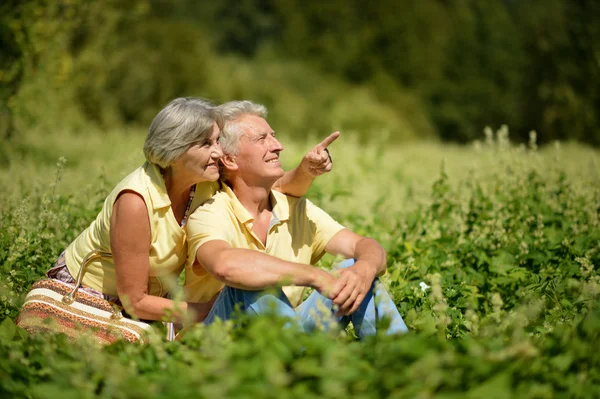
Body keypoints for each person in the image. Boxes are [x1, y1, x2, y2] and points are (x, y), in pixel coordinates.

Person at [33, 97, 336, 325]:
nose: (218, 152)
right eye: (206, 144)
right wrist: (205, 313)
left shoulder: (203, 181)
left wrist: (307, 170)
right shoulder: (135, 201)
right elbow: (133, 300)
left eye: (217, 141)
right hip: (92, 297)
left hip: (151, 301)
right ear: (175, 151)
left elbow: (275, 187)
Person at [185, 101, 408, 336]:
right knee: (252, 281)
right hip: (218, 345)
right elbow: (226, 266)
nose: (278, 146)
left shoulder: (295, 208)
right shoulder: (209, 212)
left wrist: (364, 269)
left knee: (354, 270)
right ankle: (302, 365)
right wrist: (314, 276)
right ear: (229, 160)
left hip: (287, 335)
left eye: (274, 136)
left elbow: (366, 246)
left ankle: (400, 359)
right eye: (262, 139)